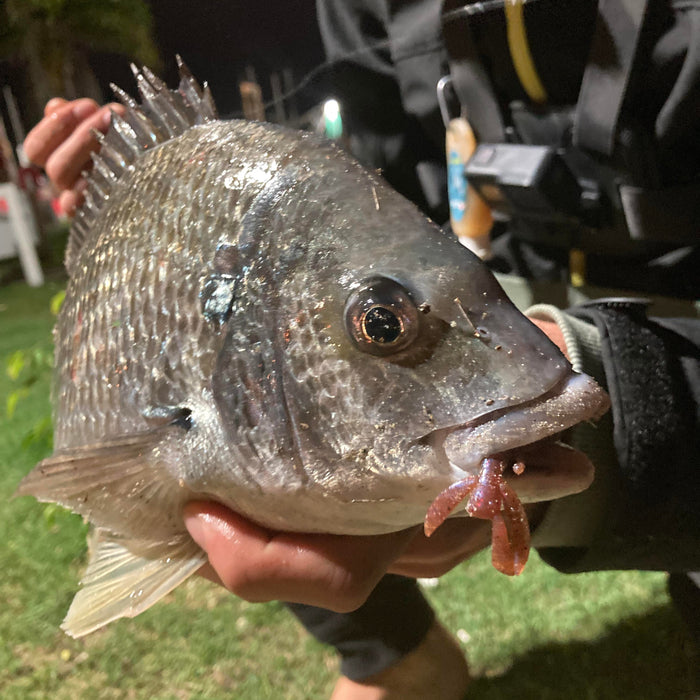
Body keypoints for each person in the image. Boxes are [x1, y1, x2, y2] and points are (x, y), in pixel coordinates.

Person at [23, 1, 699, 698]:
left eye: (383, 327)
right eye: (383, 327)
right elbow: (371, 196)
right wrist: (146, 201)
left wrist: (624, 378)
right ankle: (391, 654)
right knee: (288, 480)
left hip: (627, 315)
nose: (385, 328)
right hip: (515, 304)